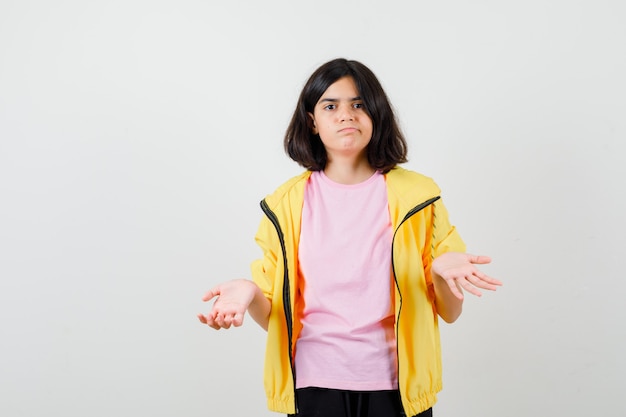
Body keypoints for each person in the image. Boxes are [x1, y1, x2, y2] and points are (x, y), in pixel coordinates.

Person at [197, 58, 502, 417]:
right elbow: (275, 321)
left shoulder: (420, 199)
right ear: (312, 121)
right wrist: (250, 294)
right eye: (331, 105)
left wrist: (438, 270)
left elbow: (450, 312)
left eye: (358, 104)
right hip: (314, 384)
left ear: (376, 115)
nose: (346, 115)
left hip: (397, 388)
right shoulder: (283, 206)